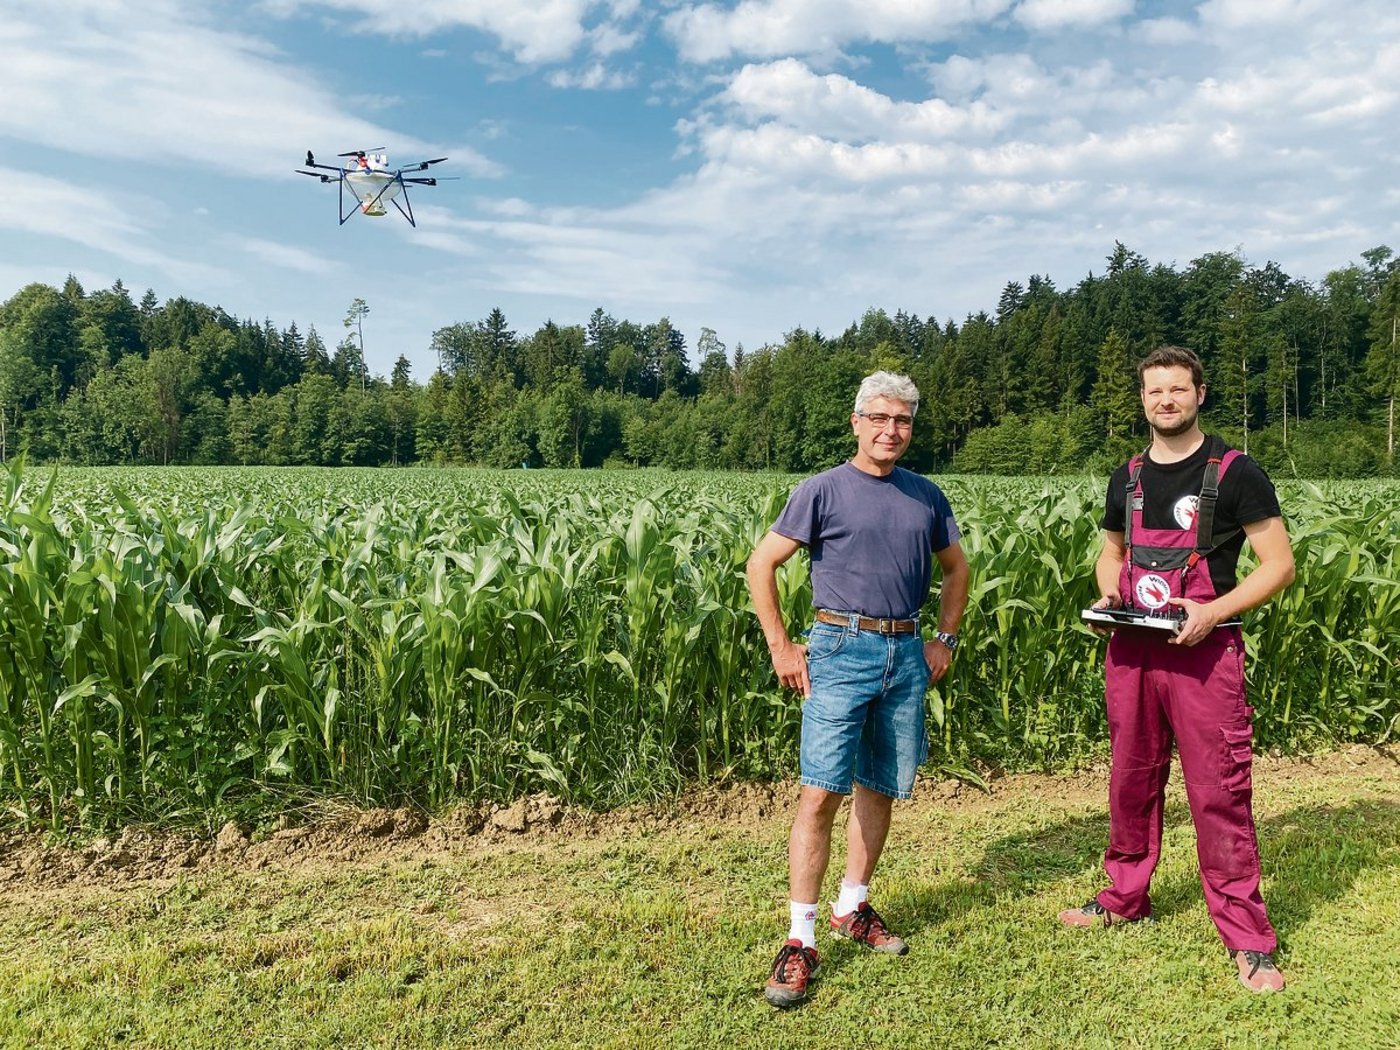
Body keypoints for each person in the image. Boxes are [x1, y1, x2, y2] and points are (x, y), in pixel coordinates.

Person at [1061, 345, 1296, 993]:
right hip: (1132, 650)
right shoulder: (1127, 477)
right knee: (1130, 780)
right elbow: (1111, 554)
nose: (1166, 400)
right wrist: (1109, 596)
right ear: (1143, 399)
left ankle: (1247, 937)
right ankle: (1124, 897)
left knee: (1218, 791)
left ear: (1199, 394)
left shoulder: (1237, 472)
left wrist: (1213, 611)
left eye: (1178, 389)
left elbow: (1279, 565)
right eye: (1154, 391)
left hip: (1205, 653)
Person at [746, 370, 970, 1009]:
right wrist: (782, 647)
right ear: (856, 422)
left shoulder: (926, 495)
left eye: (902, 420)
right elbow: (762, 564)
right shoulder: (822, 490)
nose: (890, 430)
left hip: (906, 652)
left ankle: (853, 905)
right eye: (879, 418)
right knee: (820, 792)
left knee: (880, 785)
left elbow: (957, 570)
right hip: (840, 649)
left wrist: (944, 639)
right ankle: (800, 938)